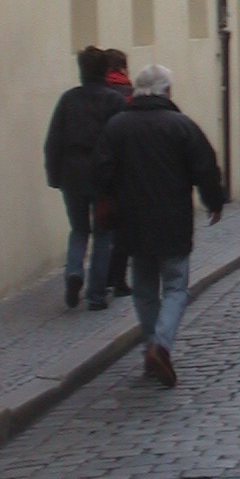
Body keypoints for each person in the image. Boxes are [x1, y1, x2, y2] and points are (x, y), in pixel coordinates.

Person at [94, 64, 224, 387]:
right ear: (167, 91)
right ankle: (160, 346)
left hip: (132, 223)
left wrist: (107, 202)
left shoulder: (117, 127)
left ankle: (151, 347)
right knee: (176, 287)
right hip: (173, 221)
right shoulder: (181, 126)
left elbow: (101, 172)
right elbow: (205, 167)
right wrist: (214, 201)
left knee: (144, 290)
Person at [44, 46, 128, 310]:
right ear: (105, 70)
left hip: (71, 173)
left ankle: (73, 272)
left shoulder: (68, 99)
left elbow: (53, 141)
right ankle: (96, 295)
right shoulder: (114, 101)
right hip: (101, 175)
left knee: (79, 229)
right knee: (103, 234)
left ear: (81, 71)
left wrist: (54, 175)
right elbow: (121, 142)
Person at [104, 49, 133, 296]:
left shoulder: (95, 91)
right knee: (123, 227)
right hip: (124, 168)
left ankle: (100, 277)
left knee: (101, 226)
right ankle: (118, 278)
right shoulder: (129, 93)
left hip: (100, 166)